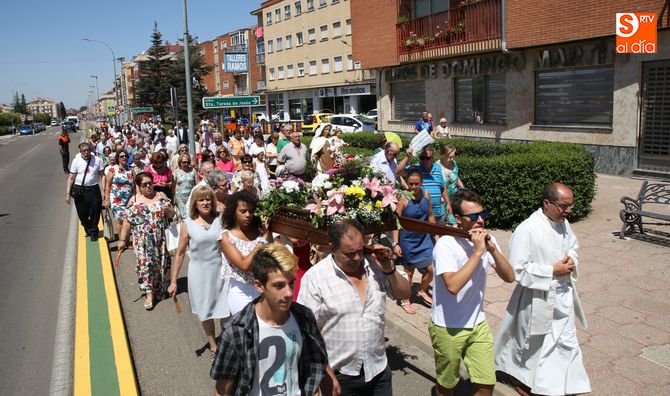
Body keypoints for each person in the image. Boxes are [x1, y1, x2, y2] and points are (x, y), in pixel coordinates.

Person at [494, 183, 591, 396]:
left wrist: (571, 260)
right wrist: (551, 270)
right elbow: (517, 270)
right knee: (532, 342)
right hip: (536, 296)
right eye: (563, 206)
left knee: (564, 340)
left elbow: (573, 246)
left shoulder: (563, 222)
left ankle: (564, 383)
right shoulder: (527, 229)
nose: (568, 210)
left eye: (570, 206)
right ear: (547, 203)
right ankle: (520, 378)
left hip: (562, 294)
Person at [297, 220, 411, 396]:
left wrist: (389, 268)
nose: (357, 258)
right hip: (339, 377)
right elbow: (305, 331)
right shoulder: (315, 278)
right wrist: (324, 374)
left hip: (378, 371)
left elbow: (404, 293)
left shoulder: (376, 267)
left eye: (360, 251)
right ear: (332, 248)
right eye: (349, 254)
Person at [210, 244, 328, 396]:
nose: (288, 293)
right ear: (259, 286)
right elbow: (222, 391)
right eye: (279, 285)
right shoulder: (236, 331)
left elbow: (312, 370)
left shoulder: (304, 317)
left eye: (291, 283)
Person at [430, 189, 515, 396]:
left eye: (483, 215)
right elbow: (453, 286)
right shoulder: (446, 244)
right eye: (474, 217)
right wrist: (478, 253)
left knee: (486, 384)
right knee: (447, 385)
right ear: (458, 219)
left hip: (478, 323)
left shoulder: (486, 241)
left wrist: (492, 249)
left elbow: (509, 276)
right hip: (448, 327)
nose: (481, 221)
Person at [168, 185, 228, 362]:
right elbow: (179, 254)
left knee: (226, 310)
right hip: (199, 274)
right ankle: (214, 347)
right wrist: (173, 281)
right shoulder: (187, 224)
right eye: (201, 199)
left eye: (208, 199)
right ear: (195, 203)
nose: (205, 202)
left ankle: (225, 343)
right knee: (205, 311)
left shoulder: (221, 219)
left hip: (221, 271)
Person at [118, 172, 175, 309]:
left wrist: (168, 211)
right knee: (145, 267)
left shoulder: (161, 196)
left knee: (161, 265)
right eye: (144, 184)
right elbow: (127, 221)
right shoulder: (134, 200)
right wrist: (122, 240)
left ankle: (160, 289)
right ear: (139, 186)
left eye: (150, 182)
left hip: (161, 239)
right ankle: (149, 294)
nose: (148, 186)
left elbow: (173, 215)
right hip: (142, 242)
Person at [219, 191, 272, 315]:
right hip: (240, 292)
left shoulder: (260, 232)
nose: (248, 215)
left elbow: (272, 255)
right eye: (243, 211)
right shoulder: (226, 236)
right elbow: (244, 265)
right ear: (233, 213)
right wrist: (262, 241)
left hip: (264, 289)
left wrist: (267, 234)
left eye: (251, 211)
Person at [392, 168, 436, 315]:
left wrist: (436, 234)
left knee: (432, 269)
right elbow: (395, 222)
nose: (414, 187)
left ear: (421, 183)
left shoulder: (426, 195)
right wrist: (395, 243)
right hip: (407, 241)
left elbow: (430, 216)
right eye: (411, 184)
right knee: (409, 272)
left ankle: (422, 290)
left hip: (424, 239)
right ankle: (405, 299)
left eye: (417, 184)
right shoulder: (403, 199)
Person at [396, 145, 451, 224]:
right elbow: (398, 172)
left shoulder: (437, 168)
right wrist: (407, 157)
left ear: (432, 158)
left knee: (438, 235)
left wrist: (448, 203)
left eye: (428, 158)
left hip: (438, 214)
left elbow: (442, 187)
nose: (425, 160)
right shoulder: (414, 168)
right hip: (422, 215)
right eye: (422, 158)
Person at [65, 142, 106, 241]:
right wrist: (67, 194)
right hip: (80, 190)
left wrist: (103, 190)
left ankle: (93, 232)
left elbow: (102, 175)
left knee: (95, 211)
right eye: (84, 151)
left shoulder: (97, 160)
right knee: (82, 213)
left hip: (93, 189)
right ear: (81, 151)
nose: (86, 152)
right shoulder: (76, 161)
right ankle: (87, 227)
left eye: (88, 150)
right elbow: (71, 178)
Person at [103, 150, 134, 232]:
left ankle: (126, 240)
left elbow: (134, 185)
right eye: (122, 156)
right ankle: (122, 241)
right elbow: (108, 186)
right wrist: (106, 200)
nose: (124, 158)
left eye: (126, 156)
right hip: (116, 200)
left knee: (128, 221)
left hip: (129, 200)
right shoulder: (112, 170)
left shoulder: (131, 170)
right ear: (118, 158)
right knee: (120, 220)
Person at [439, 144, 465, 225]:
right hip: (443, 200)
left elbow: (456, 177)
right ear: (443, 155)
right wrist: (440, 197)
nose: (452, 159)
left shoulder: (454, 163)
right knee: (445, 223)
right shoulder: (437, 167)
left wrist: (462, 187)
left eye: (453, 156)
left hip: (454, 198)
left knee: (456, 221)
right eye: (450, 157)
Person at [173, 154, 197, 219]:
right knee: (184, 217)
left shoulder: (193, 170)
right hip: (180, 197)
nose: (186, 163)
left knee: (191, 215)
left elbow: (197, 183)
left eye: (187, 162)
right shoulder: (176, 172)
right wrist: (173, 196)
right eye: (184, 162)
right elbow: (173, 185)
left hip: (191, 196)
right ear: (180, 162)